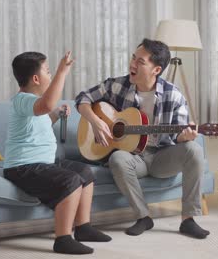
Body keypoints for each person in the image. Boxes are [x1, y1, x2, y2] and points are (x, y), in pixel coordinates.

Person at [75, 38, 210, 239]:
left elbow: (179, 135)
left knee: (194, 149)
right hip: (133, 158)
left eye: (140, 62)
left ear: (156, 69)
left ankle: (188, 220)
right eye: (133, 58)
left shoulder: (173, 95)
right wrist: (95, 121)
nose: (133, 64)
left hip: (161, 156)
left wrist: (186, 135)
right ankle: (143, 217)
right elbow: (82, 98)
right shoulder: (116, 85)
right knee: (117, 158)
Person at [3, 51, 111, 255]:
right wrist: (63, 71)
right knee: (70, 180)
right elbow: (46, 105)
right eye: (48, 71)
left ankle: (83, 227)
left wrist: (56, 115)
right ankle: (62, 239)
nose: (51, 75)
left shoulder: (34, 105)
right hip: (22, 167)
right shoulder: (23, 100)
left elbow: (41, 119)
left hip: (44, 163)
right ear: (36, 79)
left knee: (85, 172)